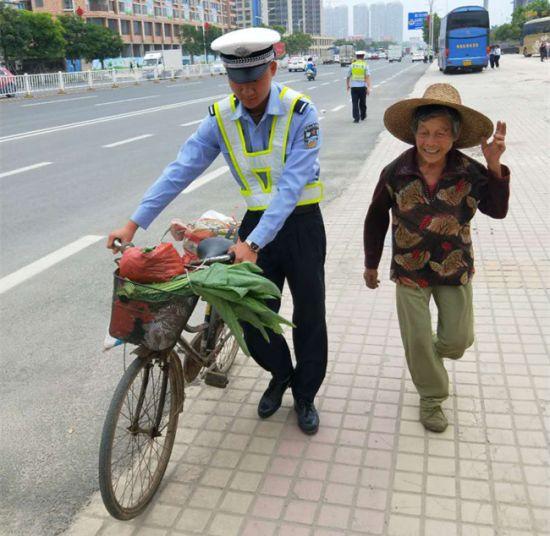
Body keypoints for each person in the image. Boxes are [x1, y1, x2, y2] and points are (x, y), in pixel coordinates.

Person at [107, 28, 327, 435]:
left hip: (301, 226)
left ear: (273, 69)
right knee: (248, 317)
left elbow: (292, 186)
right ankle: (281, 375)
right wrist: (133, 222)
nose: (246, 91)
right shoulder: (220, 118)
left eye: (255, 81)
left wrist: (254, 242)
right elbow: (180, 171)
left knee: (310, 315)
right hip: (254, 230)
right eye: (237, 82)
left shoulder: (302, 112)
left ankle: (306, 394)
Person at [363, 83, 510, 433]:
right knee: (416, 340)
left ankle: (428, 357)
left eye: (441, 133)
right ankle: (432, 397)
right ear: (413, 133)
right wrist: (371, 263)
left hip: (454, 267)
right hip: (409, 270)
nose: (431, 141)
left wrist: (494, 165)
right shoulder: (395, 173)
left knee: (457, 342)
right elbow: (375, 216)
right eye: (425, 132)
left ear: (455, 136)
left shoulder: (469, 171)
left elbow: (497, 210)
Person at [346, 51, 371, 123]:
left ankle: (356, 118)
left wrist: (347, 85)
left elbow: (348, 76)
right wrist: (368, 88)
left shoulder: (352, 65)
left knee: (354, 103)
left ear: (356, 57)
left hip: (354, 87)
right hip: (362, 87)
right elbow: (367, 77)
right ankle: (363, 116)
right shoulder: (365, 65)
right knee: (362, 102)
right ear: (363, 56)